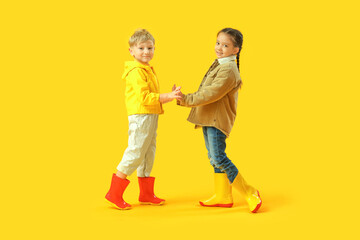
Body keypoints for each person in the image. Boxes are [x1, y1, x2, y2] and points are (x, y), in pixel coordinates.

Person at [177, 28, 262, 213]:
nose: (219, 48)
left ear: (235, 50)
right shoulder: (221, 63)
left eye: (225, 45)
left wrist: (186, 99)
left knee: (219, 157)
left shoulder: (229, 69)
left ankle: (249, 191)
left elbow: (211, 93)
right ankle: (223, 195)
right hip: (209, 117)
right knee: (213, 158)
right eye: (218, 43)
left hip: (217, 119)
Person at [105, 29, 182, 210]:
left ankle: (146, 193)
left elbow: (151, 97)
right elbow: (145, 98)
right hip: (141, 116)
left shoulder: (146, 69)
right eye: (141, 48)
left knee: (148, 152)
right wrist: (168, 96)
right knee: (136, 151)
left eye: (150, 47)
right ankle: (114, 193)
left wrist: (168, 96)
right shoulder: (136, 72)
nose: (146, 52)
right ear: (131, 51)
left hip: (150, 115)